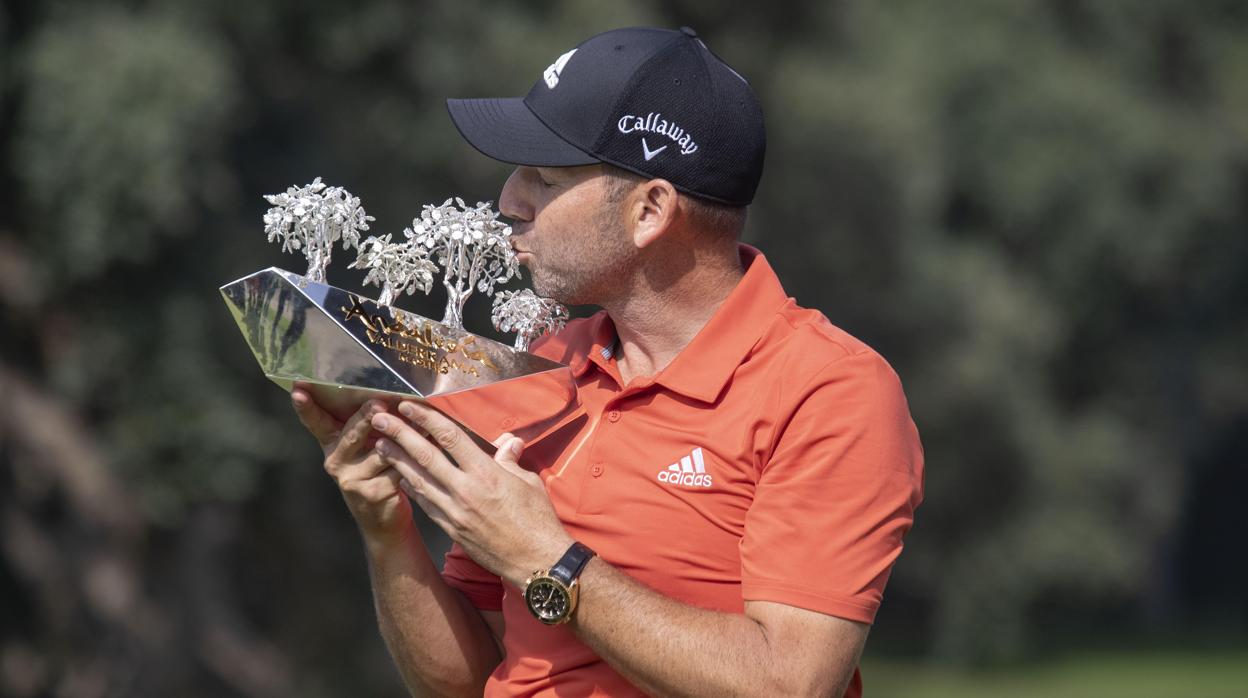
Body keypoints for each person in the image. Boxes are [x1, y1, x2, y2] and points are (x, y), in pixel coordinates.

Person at [290, 26, 923, 697]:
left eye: (545, 176)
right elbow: (469, 680)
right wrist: (388, 531)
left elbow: (788, 685)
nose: (510, 200)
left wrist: (546, 557)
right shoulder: (545, 362)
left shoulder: (831, 391)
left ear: (650, 210)